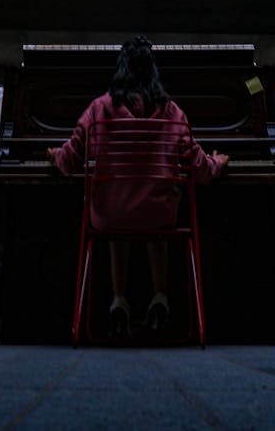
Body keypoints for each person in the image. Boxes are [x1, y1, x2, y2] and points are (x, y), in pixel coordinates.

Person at [46, 35, 228, 338]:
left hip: (109, 216)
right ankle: (160, 296)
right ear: (153, 71)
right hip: (160, 215)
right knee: (153, 206)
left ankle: (119, 300)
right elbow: (201, 170)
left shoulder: (98, 108)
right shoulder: (173, 112)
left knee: (120, 206)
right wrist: (217, 162)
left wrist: (55, 156)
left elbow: (68, 163)